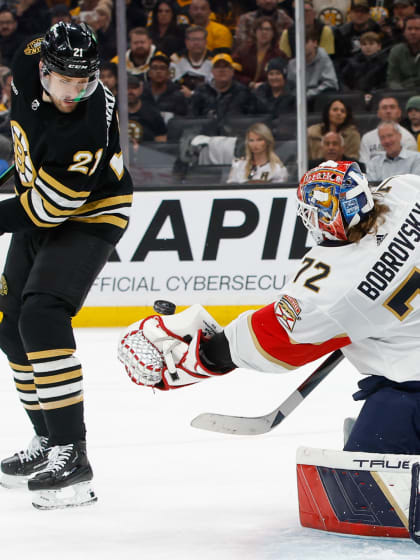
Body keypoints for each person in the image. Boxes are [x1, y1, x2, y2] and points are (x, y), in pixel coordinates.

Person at [118, 160, 420, 464]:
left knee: (365, 491)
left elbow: (269, 342)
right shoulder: (406, 189)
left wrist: (201, 357)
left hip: (412, 389)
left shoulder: (337, 285)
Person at [0, 22, 133, 509]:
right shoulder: (26, 57)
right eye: (65, 82)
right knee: (9, 326)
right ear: (43, 69)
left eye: (85, 83)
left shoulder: (87, 127)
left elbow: (46, 212)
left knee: (41, 314)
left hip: (89, 214)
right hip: (40, 198)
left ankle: (72, 455)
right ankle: (46, 441)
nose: (75, 93)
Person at [190, 53, 257, 129]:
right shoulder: (201, 91)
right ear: (212, 71)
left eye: (226, 67)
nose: (222, 70)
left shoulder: (243, 92)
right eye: (217, 67)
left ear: (232, 71)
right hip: (206, 136)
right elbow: (192, 119)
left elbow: (253, 120)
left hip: (235, 135)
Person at [287, 30, 338, 111]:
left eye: (305, 42)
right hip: (298, 102)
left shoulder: (324, 58)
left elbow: (331, 83)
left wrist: (309, 94)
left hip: (319, 100)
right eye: (298, 43)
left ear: (315, 43)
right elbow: (290, 88)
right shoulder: (292, 64)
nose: (302, 46)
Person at [359, 96, 417, 164]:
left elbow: (411, 164)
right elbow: (364, 164)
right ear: (378, 113)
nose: (388, 111)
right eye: (384, 108)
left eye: (392, 107)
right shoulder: (367, 138)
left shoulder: (407, 138)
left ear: (399, 113)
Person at [233, 15, 287, 89]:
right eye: (260, 29)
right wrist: (249, 83)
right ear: (255, 32)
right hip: (243, 89)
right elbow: (233, 72)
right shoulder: (243, 51)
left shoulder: (279, 54)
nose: (264, 32)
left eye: (267, 29)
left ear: (273, 33)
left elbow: (283, 77)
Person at [334, 0, 381, 71]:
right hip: (349, 70)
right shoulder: (341, 33)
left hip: (373, 69)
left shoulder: (377, 30)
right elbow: (338, 59)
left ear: (369, 15)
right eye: (356, 11)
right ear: (350, 14)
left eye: (363, 12)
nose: (359, 14)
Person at [143, 51, 188, 121]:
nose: (158, 71)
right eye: (155, 68)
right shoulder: (142, 93)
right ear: (149, 73)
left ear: (168, 73)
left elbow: (183, 121)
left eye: (162, 68)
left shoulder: (178, 96)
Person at [170, 25, 213, 99]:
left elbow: (214, 86)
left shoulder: (214, 60)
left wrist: (192, 94)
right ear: (186, 42)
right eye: (193, 40)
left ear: (206, 42)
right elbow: (173, 83)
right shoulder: (176, 59)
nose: (196, 43)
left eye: (199, 39)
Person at [127, 73, 167, 144]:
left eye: (134, 88)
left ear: (141, 89)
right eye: (127, 88)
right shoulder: (112, 112)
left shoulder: (152, 112)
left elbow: (163, 137)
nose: (130, 91)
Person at [387, 14, 420, 89]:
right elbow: (392, 80)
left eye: (417, 29)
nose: (413, 32)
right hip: (402, 94)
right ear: (404, 32)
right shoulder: (396, 51)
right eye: (409, 29)